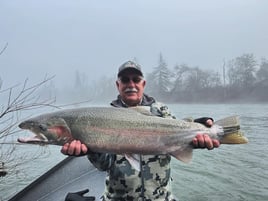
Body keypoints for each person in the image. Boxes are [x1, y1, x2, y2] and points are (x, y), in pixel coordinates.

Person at [61, 61, 220, 201]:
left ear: (143, 84)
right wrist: (91, 150)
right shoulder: (105, 116)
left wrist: (197, 131)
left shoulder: (162, 111)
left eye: (136, 80)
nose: (131, 84)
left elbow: (177, 136)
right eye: (125, 80)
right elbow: (104, 165)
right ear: (118, 85)